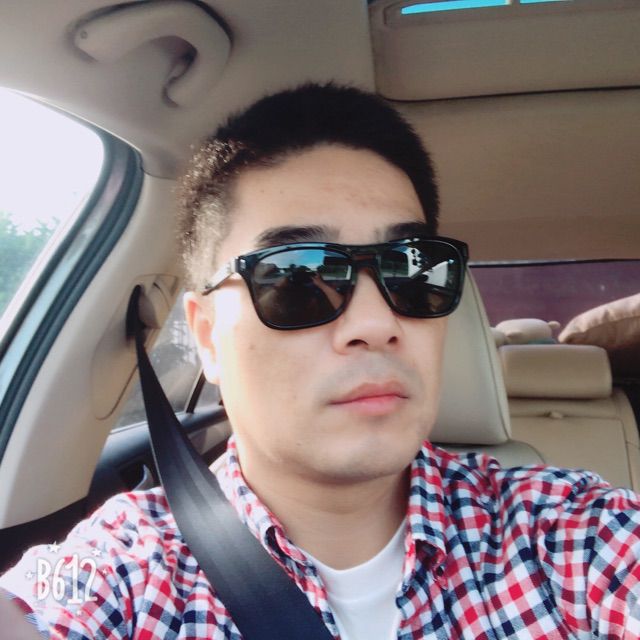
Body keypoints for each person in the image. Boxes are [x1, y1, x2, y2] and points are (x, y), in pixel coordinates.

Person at [1, 82, 640, 639]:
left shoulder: (571, 533)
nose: (376, 324)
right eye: (298, 277)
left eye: (412, 271)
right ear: (208, 338)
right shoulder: (123, 570)